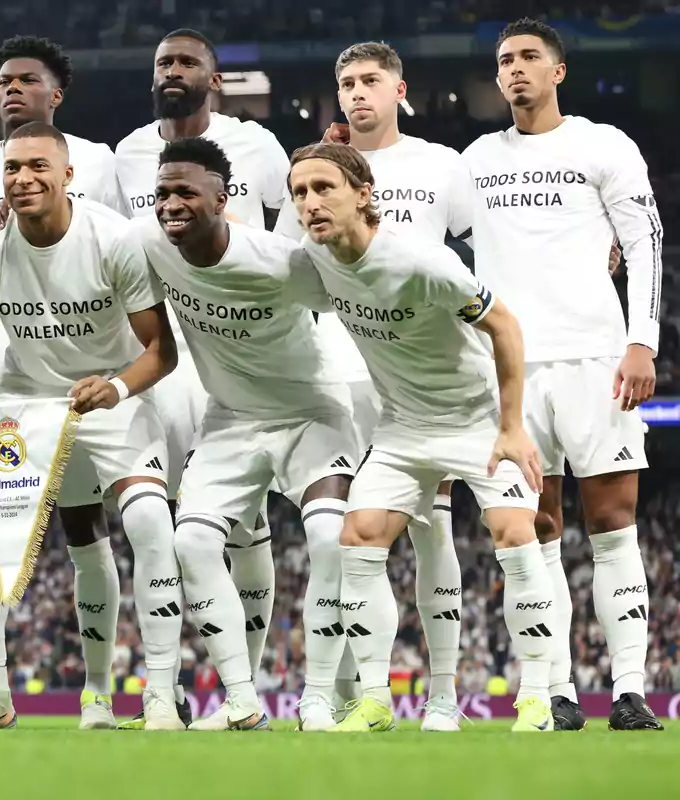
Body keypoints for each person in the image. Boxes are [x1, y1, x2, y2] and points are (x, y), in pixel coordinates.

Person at [0, 121, 184, 731]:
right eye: (13, 169)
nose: (24, 178)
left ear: (68, 175)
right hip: (26, 400)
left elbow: (158, 350)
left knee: (146, 518)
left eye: (39, 166)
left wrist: (114, 387)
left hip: (110, 394)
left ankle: (149, 696)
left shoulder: (113, 239)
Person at [290, 142, 555, 733]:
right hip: (404, 428)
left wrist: (512, 426)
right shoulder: (314, 258)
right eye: (300, 192)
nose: (310, 203)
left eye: (323, 188)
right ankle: (376, 700)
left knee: (513, 534)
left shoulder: (423, 262)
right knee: (356, 536)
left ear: (364, 194)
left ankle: (536, 696)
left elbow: (506, 328)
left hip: (478, 420)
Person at [463, 19, 664, 732]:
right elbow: (421, 223)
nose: (513, 70)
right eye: (502, 61)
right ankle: (551, 692)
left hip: (593, 358)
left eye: (526, 58)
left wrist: (642, 340)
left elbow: (644, 240)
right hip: (510, 369)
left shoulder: (603, 145)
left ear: (557, 72)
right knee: (534, 526)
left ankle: (631, 687)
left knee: (611, 524)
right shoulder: (476, 158)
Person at [138, 137, 357, 731]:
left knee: (332, 539)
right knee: (192, 545)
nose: (171, 203)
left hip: (310, 413)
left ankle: (317, 698)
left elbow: (362, 290)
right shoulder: (152, 249)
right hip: (230, 419)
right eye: (161, 193)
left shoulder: (279, 260)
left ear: (223, 196)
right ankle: (241, 700)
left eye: (186, 191)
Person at [290, 41, 475, 729]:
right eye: (347, 82)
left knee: (435, 536)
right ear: (337, 95)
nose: (358, 91)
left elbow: (486, 251)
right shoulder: (314, 171)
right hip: (335, 374)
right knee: (340, 536)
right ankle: (349, 693)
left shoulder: (442, 166)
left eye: (372, 80)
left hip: (421, 379)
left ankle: (444, 698)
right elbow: (288, 274)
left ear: (400, 89)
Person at [115, 28, 292, 729]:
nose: (174, 72)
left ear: (214, 79)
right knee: (156, 526)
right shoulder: (124, 156)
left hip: (234, 363)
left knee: (241, 531)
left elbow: (295, 240)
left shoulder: (259, 148)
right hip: (158, 360)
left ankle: (236, 690)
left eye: (188, 62)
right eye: (163, 63)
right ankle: (162, 692)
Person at [0, 36, 126, 404]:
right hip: (2, 354)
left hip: (89, 352)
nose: (13, 87)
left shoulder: (96, 159)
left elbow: (124, 251)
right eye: (4, 81)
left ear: (55, 96)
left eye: (28, 79)